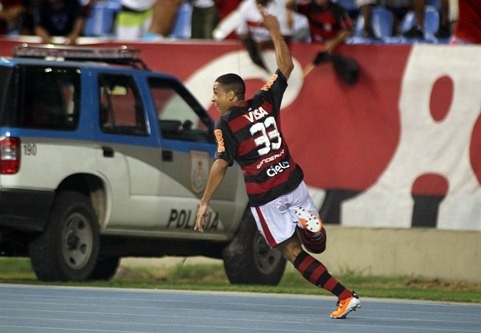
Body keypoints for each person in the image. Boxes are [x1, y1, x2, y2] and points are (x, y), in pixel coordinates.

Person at [194, 2, 361, 320]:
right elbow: (286, 65)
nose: (213, 98)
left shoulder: (225, 124)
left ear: (232, 96)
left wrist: (204, 201)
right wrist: (274, 30)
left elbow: (220, 163)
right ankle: (312, 229)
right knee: (317, 246)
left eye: (216, 93)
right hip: (293, 181)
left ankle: (343, 295)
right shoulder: (265, 99)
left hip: (266, 195)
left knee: (291, 252)